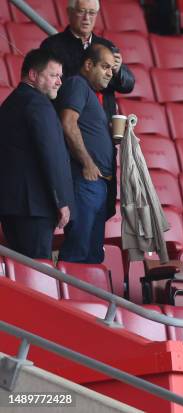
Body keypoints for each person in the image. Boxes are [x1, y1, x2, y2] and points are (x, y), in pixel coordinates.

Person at [40, 0, 135, 219]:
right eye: (82, 12)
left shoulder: (107, 46)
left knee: (101, 206)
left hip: (102, 127)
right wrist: (91, 67)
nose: (87, 18)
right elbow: (53, 83)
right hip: (70, 128)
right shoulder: (53, 46)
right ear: (70, 12)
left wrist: (119, 69)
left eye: (92, 13)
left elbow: (128, 84)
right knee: (79, 203)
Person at [0, 49, 73, 259]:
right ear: (33, 75)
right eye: (53, 75)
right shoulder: (39, 104)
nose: (59, 81)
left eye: (60, 76)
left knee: (20, 271)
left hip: (12, 207)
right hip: (35, 208)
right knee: (37, 271)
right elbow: (52, 155)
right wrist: (61, 201)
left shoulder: (10, 103)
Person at [57, 44, 115, 264]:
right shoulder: (77, 84)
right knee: (78, 250)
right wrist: (88, 163)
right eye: (105, 66)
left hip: (97, 183)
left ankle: (88, 298)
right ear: (89, 65)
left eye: (112, 68)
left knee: (92, 254)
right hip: (85, 179)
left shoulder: (90, 93)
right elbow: (68, 124)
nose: (110, 72)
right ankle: (69, 298)